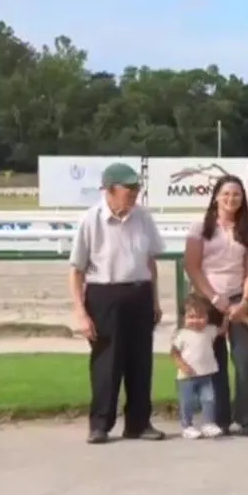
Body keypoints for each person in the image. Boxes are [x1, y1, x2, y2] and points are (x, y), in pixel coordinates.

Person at [68, 162, 165, 444]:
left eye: (137, 187)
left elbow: (150, 261)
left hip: (140, 292)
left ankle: (138, 423)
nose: (135, 193)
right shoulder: (91, 220)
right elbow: (76, 270)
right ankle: (100, 424)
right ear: (110, 189)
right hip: (104, 294)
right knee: (106, 364)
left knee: (141, 362)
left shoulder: (143, 218)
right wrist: (80, 312)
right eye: (129, 188)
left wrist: (155, 300)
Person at [183, 175, 248, 436]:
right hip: (207, 299)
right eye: (226, 193)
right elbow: (192, 266)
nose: (231, 199)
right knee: (214, 361)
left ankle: (246, 418)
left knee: (244, 359)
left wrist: (246, 301)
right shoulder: (200, 227)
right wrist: (216, 299)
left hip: (238, 298)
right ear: (216, 196)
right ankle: (219, 418)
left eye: (236, 194)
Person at [170, 294, 225, 440]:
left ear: (207, 317)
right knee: (187, 402)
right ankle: (187, 426)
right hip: (187, 377)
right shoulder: (181, 334)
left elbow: (223, 330)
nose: (196, 321)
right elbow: (174, 353)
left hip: (206, 374)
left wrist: (227, 315)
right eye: (191, 317)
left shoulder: (210, 330)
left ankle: (208, 424)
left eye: (200, 317)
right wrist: (182, 365)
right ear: (184, 318)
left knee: (209, 399)